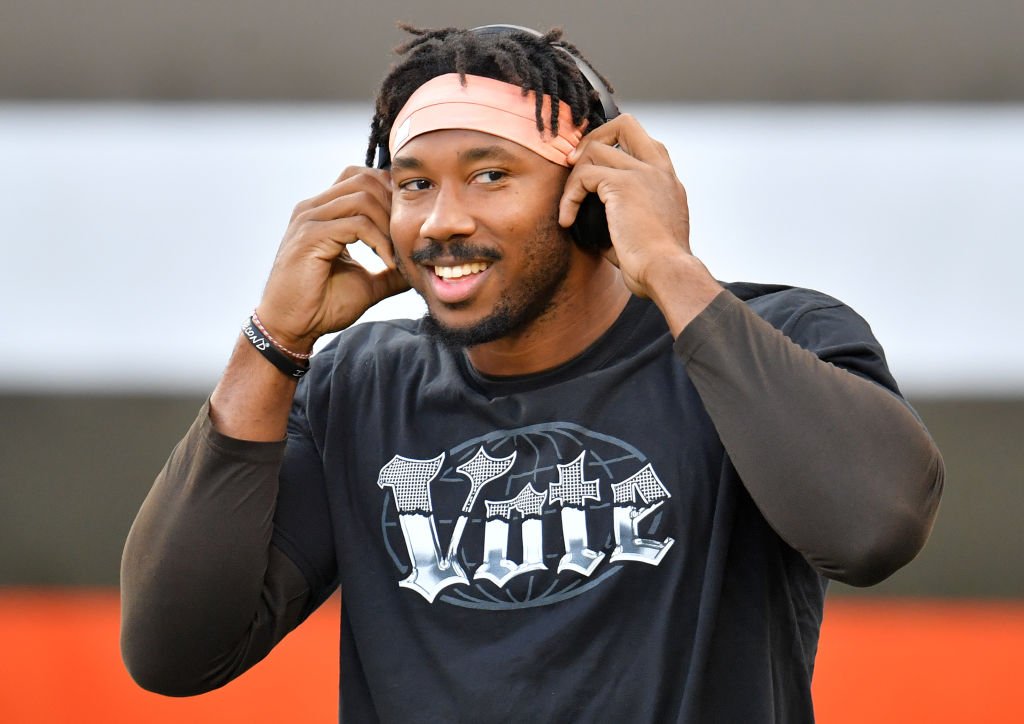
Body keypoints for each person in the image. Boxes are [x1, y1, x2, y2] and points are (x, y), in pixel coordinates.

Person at [120, 25, 944, 723]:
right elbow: (174, 651)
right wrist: (274, 342)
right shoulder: (356, 388)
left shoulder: (769, 339)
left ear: (587, 192)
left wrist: (666, 263)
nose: (444, 220)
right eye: (415, 184)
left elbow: (873, 530)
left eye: (490, 174)